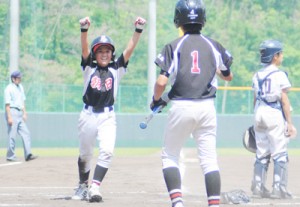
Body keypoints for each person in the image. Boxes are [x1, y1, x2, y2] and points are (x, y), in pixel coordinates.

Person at [150, 0, 233, 207]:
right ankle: (213, 204)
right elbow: (228, 76)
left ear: (179, 20)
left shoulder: (174, 45)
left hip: (181, 107)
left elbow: (162, 81)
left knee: (170, 156)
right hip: (207, 108)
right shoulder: (214, 45)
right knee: (209, 160)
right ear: (202, 19)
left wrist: (156, 100)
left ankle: (177, 203)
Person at [72, 16, 146, 202]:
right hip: (87, 115)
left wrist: (138, 29)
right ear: (95, 55)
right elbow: (84, 49)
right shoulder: (88, 67)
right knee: (85, 154)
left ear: (111, 54)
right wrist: (84, 30)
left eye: (107, 51)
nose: (104, 54)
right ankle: (82, 185)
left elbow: (129, 50)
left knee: (107, 150)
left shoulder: (117, 68)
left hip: (107, 116)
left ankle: (95, 187)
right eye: (100, 51)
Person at [251, 39, 296, 199]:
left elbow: (255, 98)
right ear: (274, 56)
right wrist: (289, 123)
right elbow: (284, 99)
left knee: (262, 152)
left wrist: (256, 118)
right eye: (280, 53)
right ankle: (279, 188)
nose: (281, 55)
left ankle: (258, 186)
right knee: (279, 152)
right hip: (273, 113)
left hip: (259, 112)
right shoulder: (279, 74)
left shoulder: (257, 75)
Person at [4, 70, 38, 162]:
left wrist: (24, 112)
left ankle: (28, 154)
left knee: (26, 133)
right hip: (12, 111)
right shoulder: (8, 88)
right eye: (18, 78)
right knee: (12, 135)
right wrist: (9, 117)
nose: (20, 79)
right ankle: (10, 156)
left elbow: (23, 101)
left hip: (19, 113)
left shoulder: (20, 87)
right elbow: (7, 104)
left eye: (20, 77)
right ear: (13, 79)